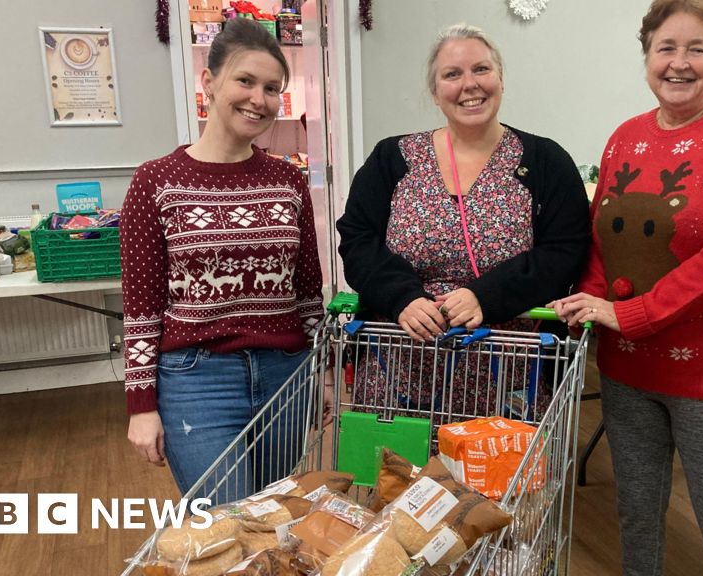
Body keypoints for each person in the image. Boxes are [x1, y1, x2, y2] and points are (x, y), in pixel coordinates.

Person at [554, 1, 703, 574]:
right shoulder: (625, 137)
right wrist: (589, 302)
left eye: (697, 49)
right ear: (647, 56)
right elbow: (602, 239)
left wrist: (631, 313)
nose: (679, 64)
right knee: (636, 516)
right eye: (666, 48)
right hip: (630, 367)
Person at [337, 24, 590, 420]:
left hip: (508, 383)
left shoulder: (546, 161)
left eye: (481, 70)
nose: (469, 85)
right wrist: (402, 296)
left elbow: (565, 252)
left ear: (501, 79)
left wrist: (485, 296)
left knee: (498, 482)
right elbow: (357, 241)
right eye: (452, 75)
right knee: (394, 482)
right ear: (435, 93)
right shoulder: (392, 158)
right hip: (396, 377)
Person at [121, 18, 324, 498]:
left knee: (276, 522)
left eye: (273, 88)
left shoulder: (288, 181)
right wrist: (140, 406)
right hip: (197, 379)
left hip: (285, 375)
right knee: (226, 531)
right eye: (246, 81)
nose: (260, 99)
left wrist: (326, 374)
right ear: (208, 82)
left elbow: (308, 291)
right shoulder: (156, 181)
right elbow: (141, 307)